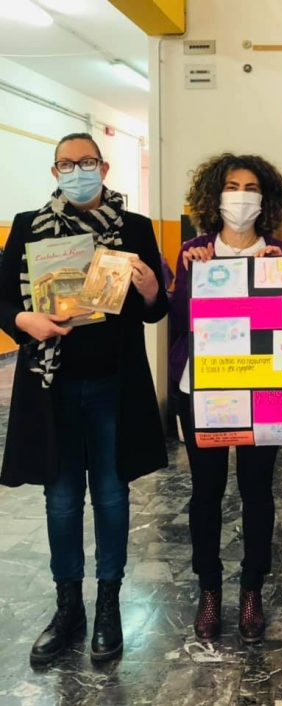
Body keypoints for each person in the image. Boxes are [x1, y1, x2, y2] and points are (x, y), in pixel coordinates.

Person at [0, 132, 168, 665]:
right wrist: (24, 320)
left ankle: (109, 604)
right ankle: (68, 606)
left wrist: (148, 288)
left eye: (87, 161)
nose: (78, 171)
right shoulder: (29, 226)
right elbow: (2, 298)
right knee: (62, 498)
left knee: (113, 495)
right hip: (51, 387)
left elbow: (155, 310)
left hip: (114, 385)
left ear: (104, 167)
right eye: (67, 164)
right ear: (55, 172)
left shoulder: (133, 228)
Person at [169, 153, 282, 643]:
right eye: (232, 187)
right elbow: (179, 323)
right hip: (202, 390)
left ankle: (251, 589)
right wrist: (192, 277)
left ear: (265, 199)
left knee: (257, 491)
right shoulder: (194, 250)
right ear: (215, 195)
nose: (241, 197)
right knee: (206, 492)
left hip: (262, 388)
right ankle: (208, 589)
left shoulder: (280, 251)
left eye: (251, 188)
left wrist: (278, 279)